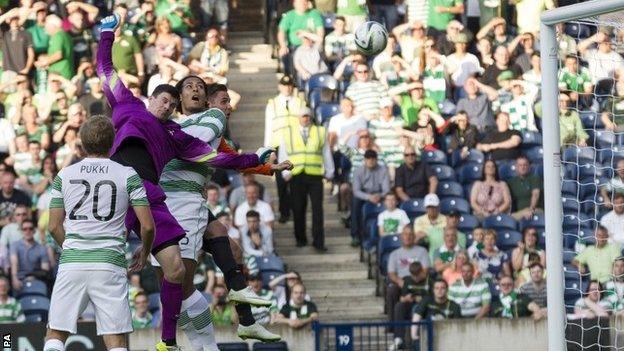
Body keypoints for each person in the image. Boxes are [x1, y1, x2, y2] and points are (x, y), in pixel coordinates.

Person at [96, 15, 272, 350]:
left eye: (171, 104)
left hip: (146, 197)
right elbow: (106, 71)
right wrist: (106, 35)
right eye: (163, 99)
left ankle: (169, 343)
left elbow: (218, 159)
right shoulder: (129, 106)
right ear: (150, 99)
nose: (165, 106)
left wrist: (255, 158)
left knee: (176, 272)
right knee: (103, 261)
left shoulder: (175, 135)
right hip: (114, 188)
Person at [165, 79, 289, 346]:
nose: (228, 108)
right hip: (171, 204)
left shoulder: (212, 131)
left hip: (192, 204)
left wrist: (268, 169)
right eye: (223, 102)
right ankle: (180, 340)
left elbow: (232, 159)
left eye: (200, 86)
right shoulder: (173, 126)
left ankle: (247, 323)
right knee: (181, 286)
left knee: (234, 251)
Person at [42, 116, 154, 351]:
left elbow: (52, 227)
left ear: (81, 142)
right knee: (115, 340)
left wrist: (73, 246)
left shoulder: (64, 175)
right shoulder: (127, 174)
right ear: (112, 142)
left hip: (73, 262)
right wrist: (144, 252)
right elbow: (148, 226)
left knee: (55, 333)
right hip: (109, 262)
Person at [278, 107, 334, 251]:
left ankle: (319, 242)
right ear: (298, 118)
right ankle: (300, 238)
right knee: (298, 208)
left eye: (308, 116)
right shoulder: (288, 132)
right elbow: (283, 153)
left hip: (315, 175)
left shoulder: (320, 131)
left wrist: (330, 171)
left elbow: (326, 152)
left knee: (317, 210)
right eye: (303, 116)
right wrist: (285, 173)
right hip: (296, 175)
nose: (306, 119)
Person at [265, 75, 305, 223]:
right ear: (280, 86)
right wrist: (269, 150)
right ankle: (284, 212)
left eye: (289, 85)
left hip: (295, 143)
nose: (287, 88)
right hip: (278, 143)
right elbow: (268, 127)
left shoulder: (300, 102)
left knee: (295, 178)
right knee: (281, 181)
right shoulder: (273, 103)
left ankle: (296, 209)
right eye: (284, 85)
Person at [386, 226, 430, 323]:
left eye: (411, 234)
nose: (408, 237)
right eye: (405, 234)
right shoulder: (394, 254)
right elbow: (391, 273)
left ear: (414, 237)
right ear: (401, 236)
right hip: (401, 282)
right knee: (391, 290)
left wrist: (413, 281)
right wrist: (400, 281)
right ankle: (392, 323)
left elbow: (425, 271)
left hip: (418, 282)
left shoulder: (422, 251)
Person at [350, 149, 390, 247]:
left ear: (376, 159)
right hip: (364, 195)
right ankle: (355, 235)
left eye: (373, 158)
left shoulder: (383, 170)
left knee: (391, 200)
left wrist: (379, 196)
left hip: (379, 195)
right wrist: (369, 197)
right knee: (355, 202)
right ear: (365, 160)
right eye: (368, 158)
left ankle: (388, 232)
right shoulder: (358, 171)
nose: (371, 161)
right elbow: (356, 191)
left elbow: (386, 189)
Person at [390, 261, 433, 350]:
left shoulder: (430, 281)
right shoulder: (408, 280)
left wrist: (420, 299)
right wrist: (406, 298)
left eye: (417, 275)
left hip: (424, 308)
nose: (415, 278)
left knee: (416, 309)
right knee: (399, 306)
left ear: (422, 272)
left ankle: (414, 343)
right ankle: (399, 338)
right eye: (413, 275)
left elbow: (433, 298)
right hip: (410, 305)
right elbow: (401, 298)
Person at [410, 279, 461, 345]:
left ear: (447, 290)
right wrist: (414, 336)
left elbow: (457, 327)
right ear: (433, 290)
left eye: (442, 288)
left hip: (447, 337)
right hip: (428, 336)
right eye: (437, 288)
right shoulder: (426, 301)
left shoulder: (455, 306)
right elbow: (417, 316)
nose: (439, 290)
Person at [10, 219, 49, 291]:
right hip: (19, 279)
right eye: (25, 229)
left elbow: (45, 269)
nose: (28, 231)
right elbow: (14, 263)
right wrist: (14, 279)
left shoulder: (42, 248)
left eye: (30, 228)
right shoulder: (15, 245)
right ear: (21, 231)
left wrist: (32, 276)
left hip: (37, 280)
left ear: (34, 230)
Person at [507, 155, 543, 220]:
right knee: (508, 218)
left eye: (525, 165)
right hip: (520, 212)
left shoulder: (534, 178)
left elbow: (535, 194)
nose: (522, 167)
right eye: (520, 165)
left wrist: (531, 209)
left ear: (529, 166)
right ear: (516, 167)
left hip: (535, 209)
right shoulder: (512, 182)